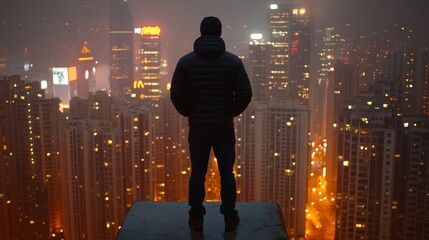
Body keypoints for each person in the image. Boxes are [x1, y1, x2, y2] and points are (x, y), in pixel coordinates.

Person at [170, 16, 252, 232]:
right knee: (227, 173)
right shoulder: (234, 62)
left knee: (197, 173)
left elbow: (176, 94)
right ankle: (229, 217)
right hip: (224, 128)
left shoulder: (185, 62)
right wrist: (229, 112)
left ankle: (196, 217)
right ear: (220, 33)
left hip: (198, 128)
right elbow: (245, 94)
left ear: (201, 32)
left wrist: (190, 112)